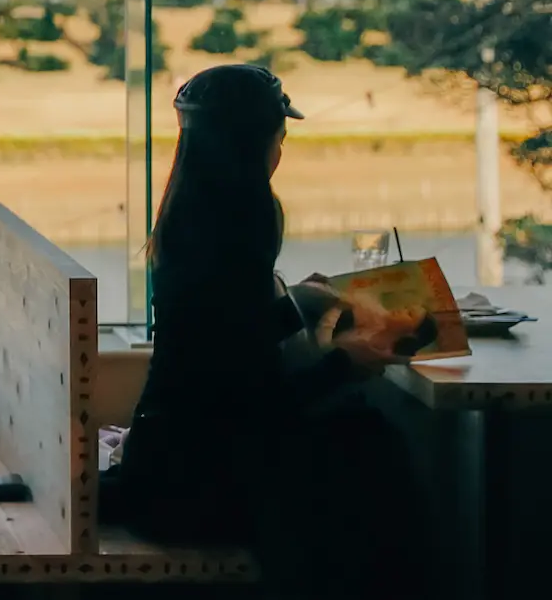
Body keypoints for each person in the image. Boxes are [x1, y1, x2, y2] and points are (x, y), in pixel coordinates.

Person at [106, 63, 434, 598]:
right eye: (280, 135)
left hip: (167, 465)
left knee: (364, 446)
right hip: (196, 490)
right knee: (375, 459)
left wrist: (297, 303)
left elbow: (218, 342)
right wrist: (347, 362)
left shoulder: (190, 212)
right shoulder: (243, 221)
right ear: (262, 142)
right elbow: (249, 403)